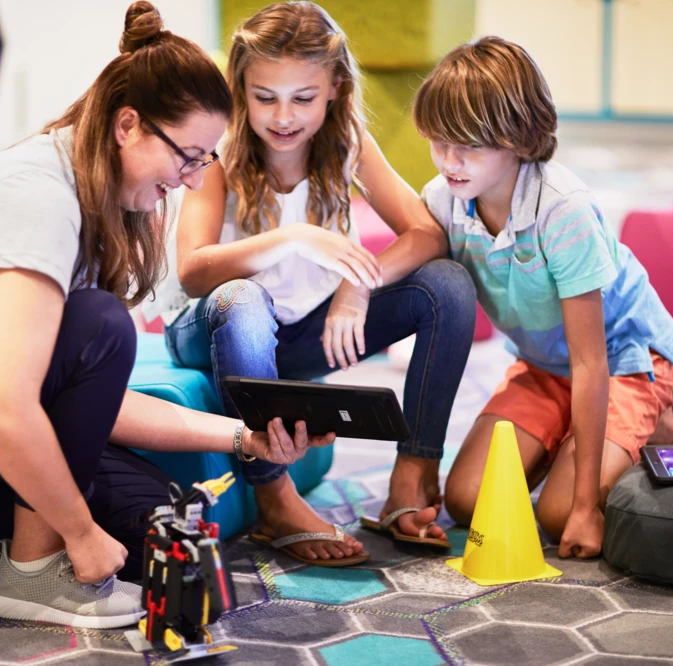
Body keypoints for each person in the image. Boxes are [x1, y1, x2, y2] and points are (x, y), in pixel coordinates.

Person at [0, 1, 332, 630]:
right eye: (187, 156)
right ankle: (29, 576)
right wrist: (74, 535)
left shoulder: (85, 196)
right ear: (129, 125)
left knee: (153, 515)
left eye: (203, 162)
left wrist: (243, 439)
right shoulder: (37, 200)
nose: (188, 181)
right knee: (100, 326)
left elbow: (86, 404)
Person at [144, 1, 477, 566]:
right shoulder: (220, 147)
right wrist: (291, 236)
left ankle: (411, 481)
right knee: (245, 298)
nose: (283, 116)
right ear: (240, 89)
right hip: (214, 326)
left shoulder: (346, 139)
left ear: (334, 91)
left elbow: (426, 234)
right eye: (264, 97)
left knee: (447, 286)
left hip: (300, 337)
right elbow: (194, 270)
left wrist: (358, 286)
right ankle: (274, 494)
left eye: (303, 98)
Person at [412, 36, 673, 558]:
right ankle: (570, 441)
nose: (449, 160)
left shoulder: (565, 211)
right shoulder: (445, 197)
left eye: (468, 144)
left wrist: (586, 507)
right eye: (439, 141)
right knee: (468, 500)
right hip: (541, 367)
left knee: (560, 515)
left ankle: (663, 417)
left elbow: (591, 360)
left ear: (517, 138)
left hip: (621, 362)